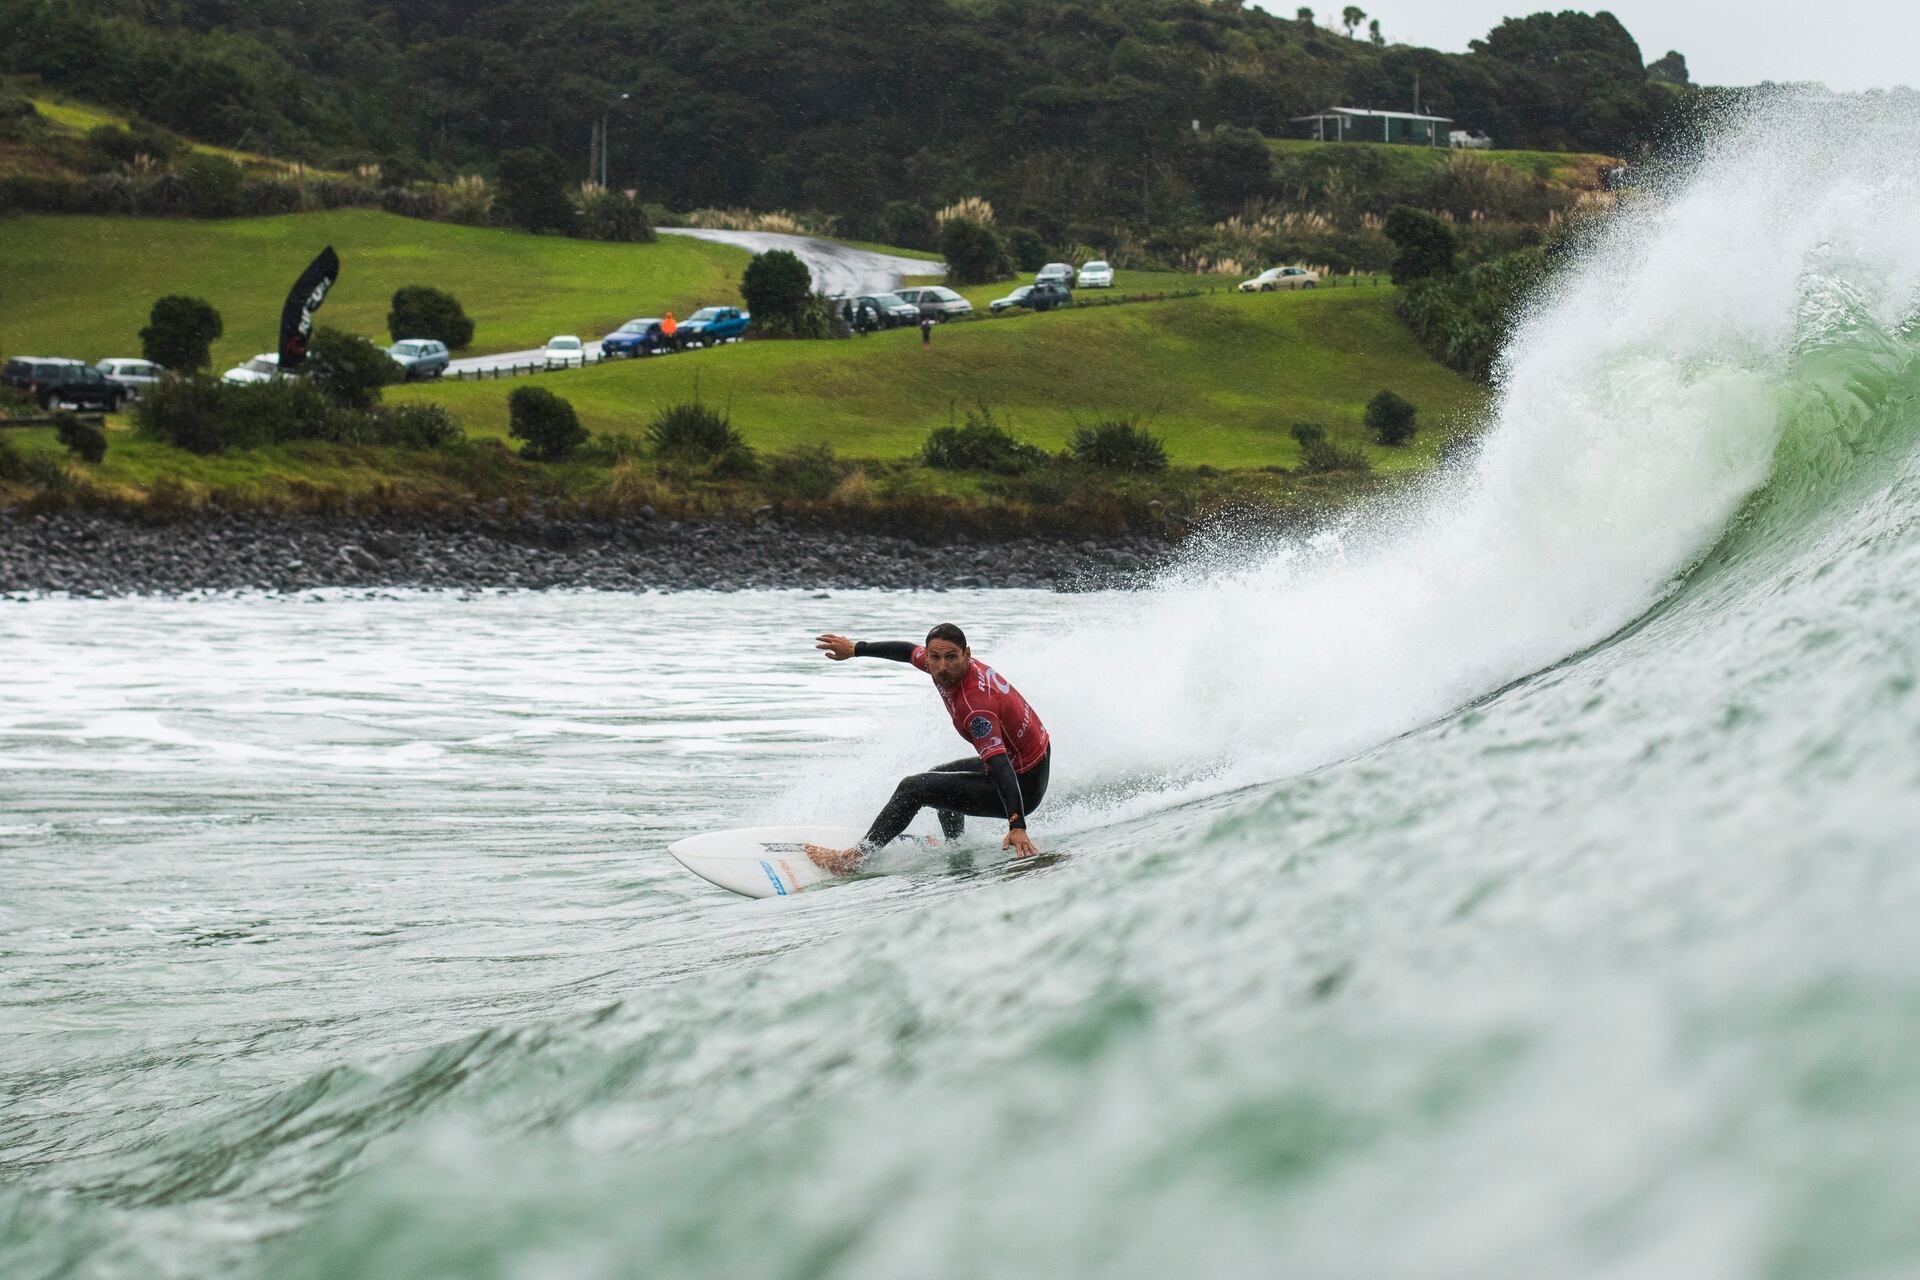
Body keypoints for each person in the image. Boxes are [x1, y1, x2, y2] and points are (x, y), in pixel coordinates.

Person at [806, 623, 1051, 874]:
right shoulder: (942, 663)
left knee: (914, 788)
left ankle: (854, 860)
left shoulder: (976, 706)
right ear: (929, 655)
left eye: (951, 658)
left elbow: (1000, 766)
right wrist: (856, 649)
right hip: (1027, 758)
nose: (942, 667)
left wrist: (1017, 826)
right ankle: (957, 847)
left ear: (967, 654)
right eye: (935, 657)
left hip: (1024, 784)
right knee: (937, 777)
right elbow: (906, 652)